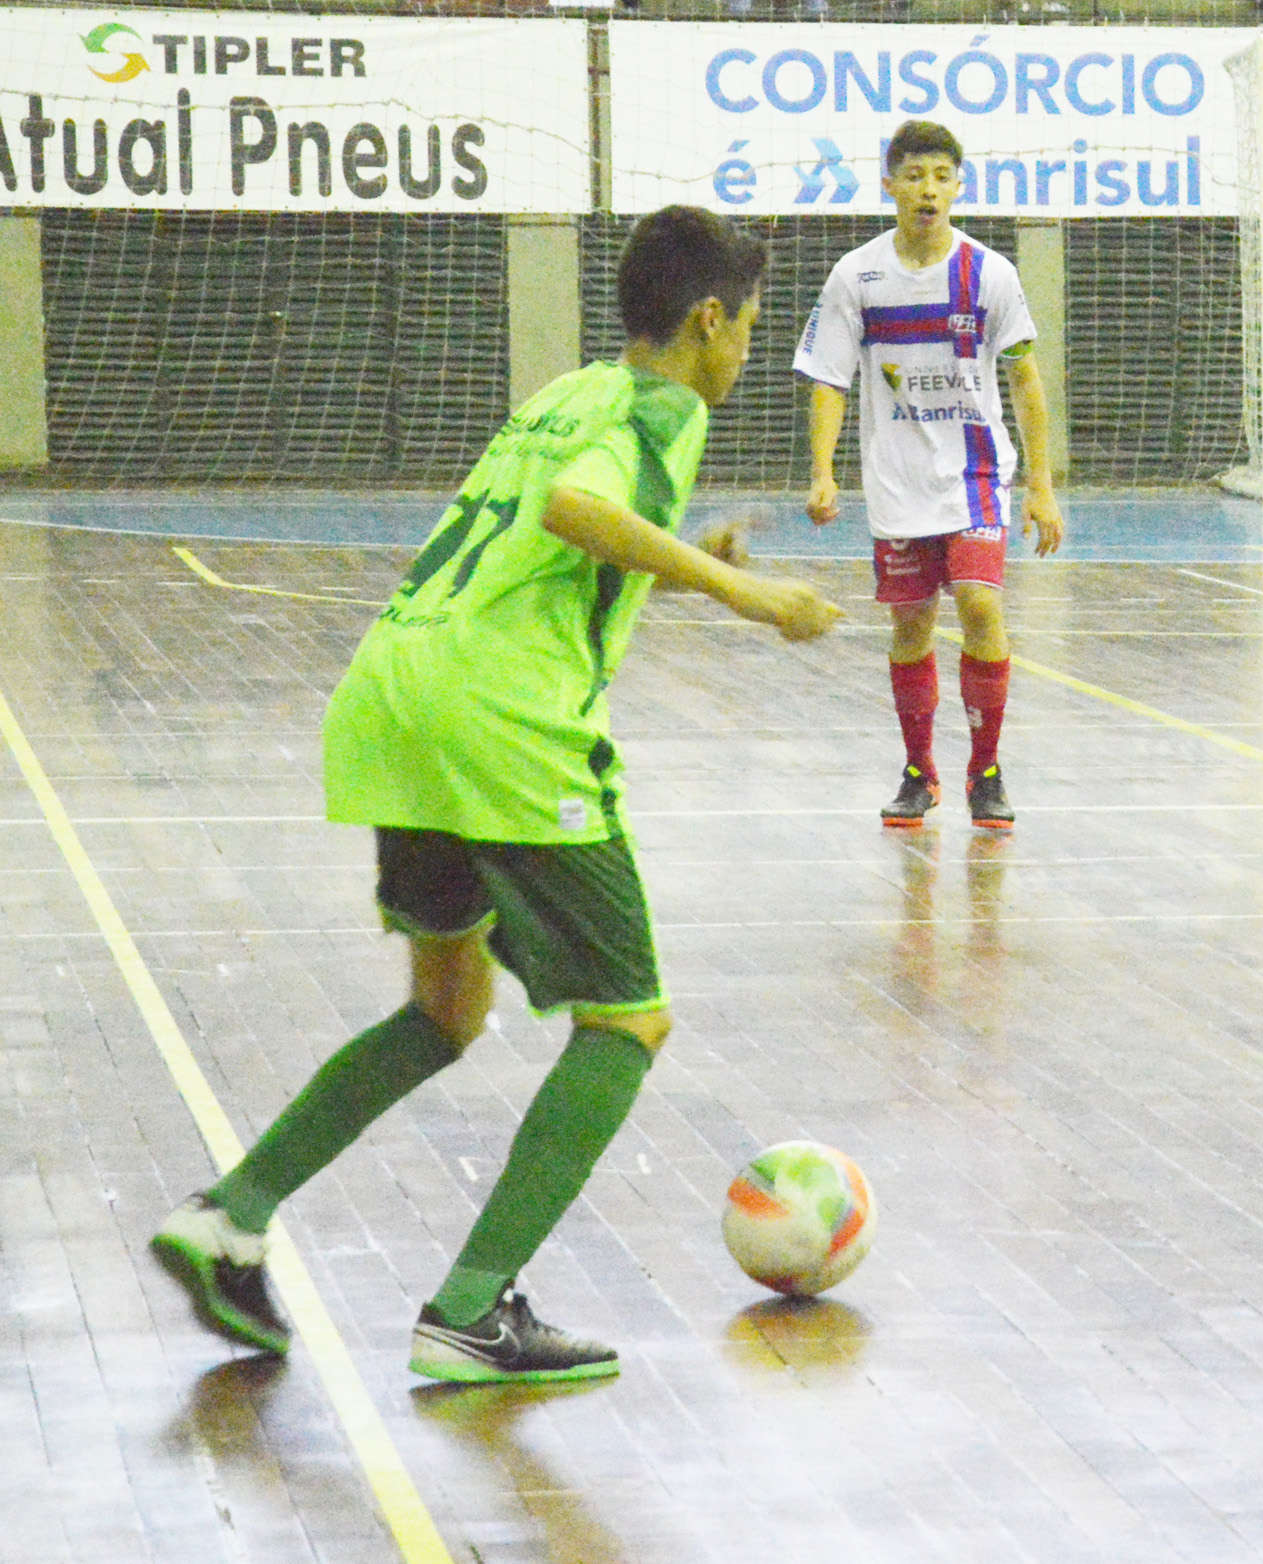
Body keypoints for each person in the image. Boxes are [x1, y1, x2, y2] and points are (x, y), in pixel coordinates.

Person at [149, 206, 843, 1382]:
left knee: (446, 1010)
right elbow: (577, 513)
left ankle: (231, 1216)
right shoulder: (656, 409)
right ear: (709, 318)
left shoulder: (568, 391)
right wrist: (745, 593)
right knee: (628, 1019)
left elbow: (537, 546)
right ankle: (470, 1311)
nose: (746, 356)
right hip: (501, 722)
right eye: (749, 329)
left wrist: (680, 567)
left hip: (397, 690)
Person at [800, 119, 1065, 830]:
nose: (928, 189)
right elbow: (828, 379)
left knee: (981, 604)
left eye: (942, 177)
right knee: (911, 627)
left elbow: (1026, 381)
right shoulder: (857, 275)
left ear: (957, 186)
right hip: (896, 482)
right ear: (888, 183)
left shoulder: (991, 274)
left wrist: (1040, 485)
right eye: (914, 175)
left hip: (977, 474)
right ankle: (920, 770)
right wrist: (822, 472)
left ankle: (987, 770)